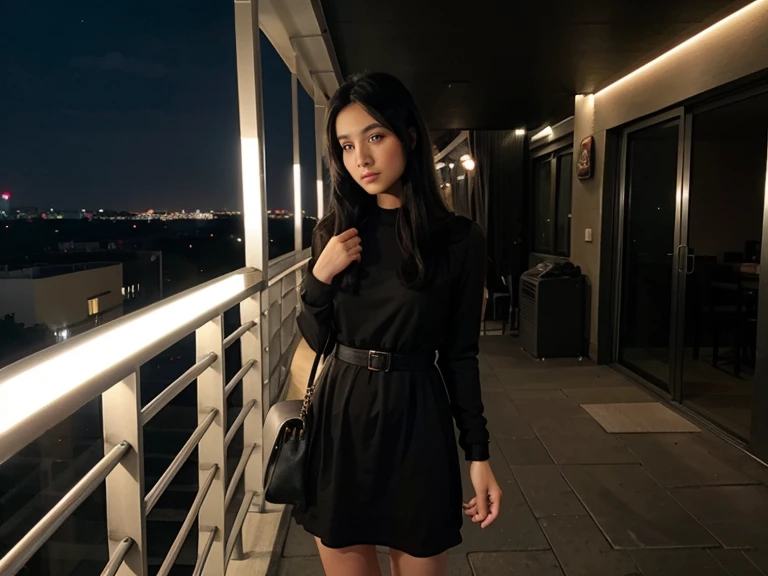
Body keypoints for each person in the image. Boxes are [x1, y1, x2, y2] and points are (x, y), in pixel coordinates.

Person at [295, 72, 502, 576]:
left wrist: (478, 454)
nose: (360, 158)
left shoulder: (458, 239)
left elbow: (460, 354)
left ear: (409, 134)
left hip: (417, 421)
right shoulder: (335, 232)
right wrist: (319, 277)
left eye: (374, 136)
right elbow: (317, 337)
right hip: (341, 420)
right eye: (346, 145)